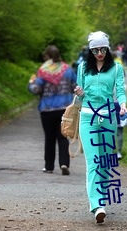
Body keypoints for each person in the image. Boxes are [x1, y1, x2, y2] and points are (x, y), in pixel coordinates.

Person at [74, 31, 127, 223]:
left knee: (105, 162)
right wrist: (79, 92)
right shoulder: (82, 68)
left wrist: (122, 104)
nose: (99, 53)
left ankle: (102, 198)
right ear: (90, 50)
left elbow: (120, 90)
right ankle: (97, 205)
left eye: (103, 49)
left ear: (108, 48)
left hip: (108, 118)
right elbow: (80, 97)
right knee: (93, 162)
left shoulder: (116, 68)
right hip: (87, 117)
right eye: (95, 50)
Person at [28, 45, 77, 175]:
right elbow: (75, 87)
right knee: (63, 137)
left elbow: (36, 90)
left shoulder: (43, 71)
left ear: (47, 57)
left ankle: (49, 166)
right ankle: (64, 163)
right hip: (64, 109)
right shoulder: (68, 70)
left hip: (47, 109)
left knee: (49, 138)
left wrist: (31, 83)